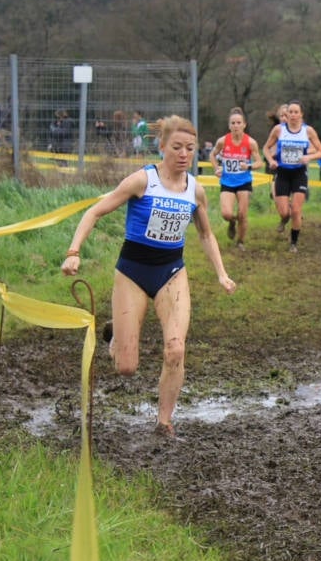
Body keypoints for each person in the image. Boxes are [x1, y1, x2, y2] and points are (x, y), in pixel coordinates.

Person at [60, 115, 237, 438]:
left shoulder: (195, 190)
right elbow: (95, 212)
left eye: (190, 149)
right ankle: (115, 337)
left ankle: (164, 422)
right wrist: (74, 252)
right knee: (126, 367)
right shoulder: (143, 180)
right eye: (177, 147)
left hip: (171, 272)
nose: (184, 154)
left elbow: (206, 235)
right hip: (132, 272)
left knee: (175, 349)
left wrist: (222, 275)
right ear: (162, 146)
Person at [262, 100, 321, 253]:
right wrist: (271, 160)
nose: (293, 115)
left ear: (301, 114)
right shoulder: (278, 130)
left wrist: (308, 158)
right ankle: (284, 219)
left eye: (296, 112)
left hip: (299, 173)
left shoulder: (308, 131)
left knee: (296, 210)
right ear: (287, 114)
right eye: (290, 112)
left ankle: (293, 243)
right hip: (282, 173)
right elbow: (265, 147)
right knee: (284, 211)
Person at [211, 107, 263, 251]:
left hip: (244, 182)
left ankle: (240, 241)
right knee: (226, 213)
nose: (235, 126)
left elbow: (260, 162)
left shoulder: (250, 143)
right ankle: (232, 223)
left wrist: (249, 166)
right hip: (227, 181)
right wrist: (216, 168)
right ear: (229, 125)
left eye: (238, 123)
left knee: (242, 214)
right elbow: (212, 155)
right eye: (233, 123)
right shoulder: (223, 141)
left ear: (244, 125)